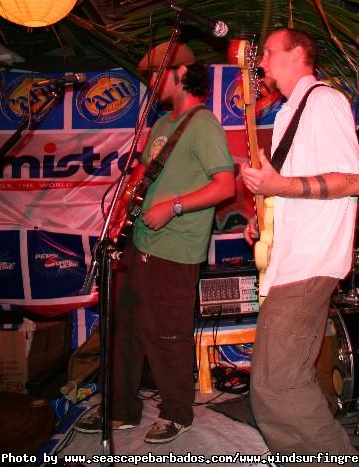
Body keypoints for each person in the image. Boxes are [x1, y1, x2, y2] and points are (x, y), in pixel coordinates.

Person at [74, 42, 236, 443]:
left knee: (167, 332)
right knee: (124, 327)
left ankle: (177, 413)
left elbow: (225, 185)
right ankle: (120, 409)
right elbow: (142, 174)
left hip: (176, 248)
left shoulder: (204, 125)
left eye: (157, 74)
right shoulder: (164, 124)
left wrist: (174, 207)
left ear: (181, 73)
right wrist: (120, 213)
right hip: (140, 242)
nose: (151, 83)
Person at [241, 29, 359, 465]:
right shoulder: (287, 114)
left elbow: (351, 180)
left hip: (309, 262)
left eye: (269, 53)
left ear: (297, 54)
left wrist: (279, 186)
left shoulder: (324, 101)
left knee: (275, 384)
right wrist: (265, 214)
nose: (261, 63)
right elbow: (289, 187)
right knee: (288, 378)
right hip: (293, 261)